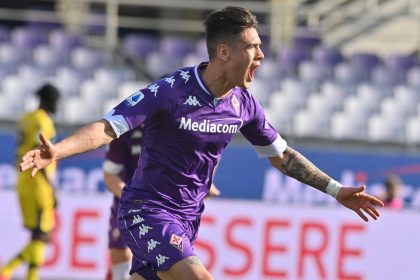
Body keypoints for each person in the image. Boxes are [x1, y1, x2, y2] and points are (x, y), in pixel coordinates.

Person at [19, 6, 384, 280]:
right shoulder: (170, 91)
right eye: (253, 47)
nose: (261, 55)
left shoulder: (244, 105)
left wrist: (337, 191)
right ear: (223, 52)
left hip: (188, 220)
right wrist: (59, 150)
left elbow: (283, 157)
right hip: (146, 212)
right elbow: (109, 127)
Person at [103, 126, 220, 280]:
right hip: (129, 205)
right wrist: (133, 199)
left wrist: (203, 183)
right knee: (121, 257)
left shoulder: (179, 124)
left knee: (151, 270)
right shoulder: (126, 129)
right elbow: (110, 175)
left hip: (167, 208)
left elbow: (207, 153)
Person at [0, 84, 60, 280]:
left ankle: (18, 274)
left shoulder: (25, 119)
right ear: (49, 100)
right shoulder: (42, 121)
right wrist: (51, 188)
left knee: (37, 236)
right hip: (38, 186)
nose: (58, 106)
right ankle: (7, 270)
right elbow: (38, 154)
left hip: (23, 183)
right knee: (42, 236)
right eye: (57, 101)